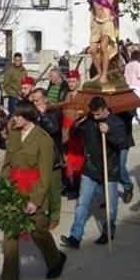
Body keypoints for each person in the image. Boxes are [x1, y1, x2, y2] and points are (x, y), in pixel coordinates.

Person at [0, 101, 66, 280]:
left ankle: (55, 259)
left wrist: (35, 200)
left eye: (18, 116)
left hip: (32, 190)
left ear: (29, 118)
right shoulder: (14, 132)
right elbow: (8, 162)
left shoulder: (43, 140)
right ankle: (9, 278)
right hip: (13, 189)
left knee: (38, 231)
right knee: (10, 233)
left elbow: (46, 175)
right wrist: (3, 188)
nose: (14, 119)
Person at [60, 96, 128, 249]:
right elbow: (74, 133)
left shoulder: (116, 122)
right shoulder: (89, 120)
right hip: (90, 168)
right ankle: (75, 236)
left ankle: (108, 231)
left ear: (105, 109)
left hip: (109, 168)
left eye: (98, 114)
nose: (96, 117)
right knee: (82, 203)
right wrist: (77, 123)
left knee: (110, 205)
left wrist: (109, 132)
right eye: (93, 114)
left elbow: (122, 142)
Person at [29, 88, 65, 231]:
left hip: (52, 158)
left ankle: (54, 216)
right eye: (34, 100)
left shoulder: (54, 112)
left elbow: (53, 129)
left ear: (45, 99)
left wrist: (43, 114)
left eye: (38, 100)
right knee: (38, 189)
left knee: (53, 190)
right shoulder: (33, 114)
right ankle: (40, 215)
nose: (35, 103)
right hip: (37, 158)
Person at [88, 0, 119, 84]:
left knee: (104, 48)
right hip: (96, 22)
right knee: (92, 49)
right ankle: (99, 72)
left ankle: (104, 74)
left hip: (106, 21)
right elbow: (92, 7)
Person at [61, 70, 84, 200]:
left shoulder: (81, 96)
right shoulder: (66, 95)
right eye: (69, 81)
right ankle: (70, 186)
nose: (71, 83)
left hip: (75, 132)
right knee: (67, 160)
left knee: (76, 161)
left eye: (73, 81)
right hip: (65, 130)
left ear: (78, 81)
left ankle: (77, 188)